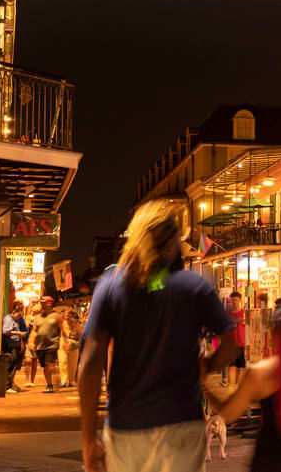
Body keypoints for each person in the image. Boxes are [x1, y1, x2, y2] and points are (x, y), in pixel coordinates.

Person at [78, 198, 238, 472]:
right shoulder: (194, 287)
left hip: (127, 428)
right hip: (182, 424)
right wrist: (207, 367)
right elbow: (231, 344)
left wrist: (87, 438)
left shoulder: (111, 287)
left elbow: (90, 364)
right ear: (173, 241)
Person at [204, 306, 281, 472]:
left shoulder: (260, 373)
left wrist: (204, 387)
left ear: (274, 336)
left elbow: (227, 413)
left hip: (270, 461)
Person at [28, 296, 63, 393]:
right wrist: (31, 341)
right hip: (40, 345)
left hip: (52, 344)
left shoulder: (57, 316)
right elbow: (34, 331)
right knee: (45, 366)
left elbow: (62, 330)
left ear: (49, 303)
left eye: (43, 302)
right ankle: (52, 378)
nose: (42, 304)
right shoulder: (38, 317)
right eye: (41, 303)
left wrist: (65, 342)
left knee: (48, 364)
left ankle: (49, 385)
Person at [2, 302, 26, 394]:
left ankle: (9, 385)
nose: (19, 316)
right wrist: (19, 333)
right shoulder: (8, 319)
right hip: (10, 345)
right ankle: (7, 386)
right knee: (10, 366)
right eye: (18, 314)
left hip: (13, 345)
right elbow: (5, 331)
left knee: (12, 365)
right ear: (14, 312)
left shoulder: (11, 319)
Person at [227, 292, 248, 386]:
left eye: (236, 300)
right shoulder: (228, 314)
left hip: (241, 343)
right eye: (233, 300)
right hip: (231, 344)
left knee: (240, 367)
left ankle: (236, 385)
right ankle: (231, 387)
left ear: (240, 300)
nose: (234, 302)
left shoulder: (244, 313)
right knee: (232, 366)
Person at [58, 309, 83, 388]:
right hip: (63, 344)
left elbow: (80, 335)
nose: (67, 317)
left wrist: (74, 337)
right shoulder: (63, 324)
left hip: (73, 346)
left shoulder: (77, 324)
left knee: (73, 364)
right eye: (66, 315)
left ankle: (71, 381)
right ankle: (63, 381)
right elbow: (62, 334)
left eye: (69, 315)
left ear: (72, 316)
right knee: (63, 362)